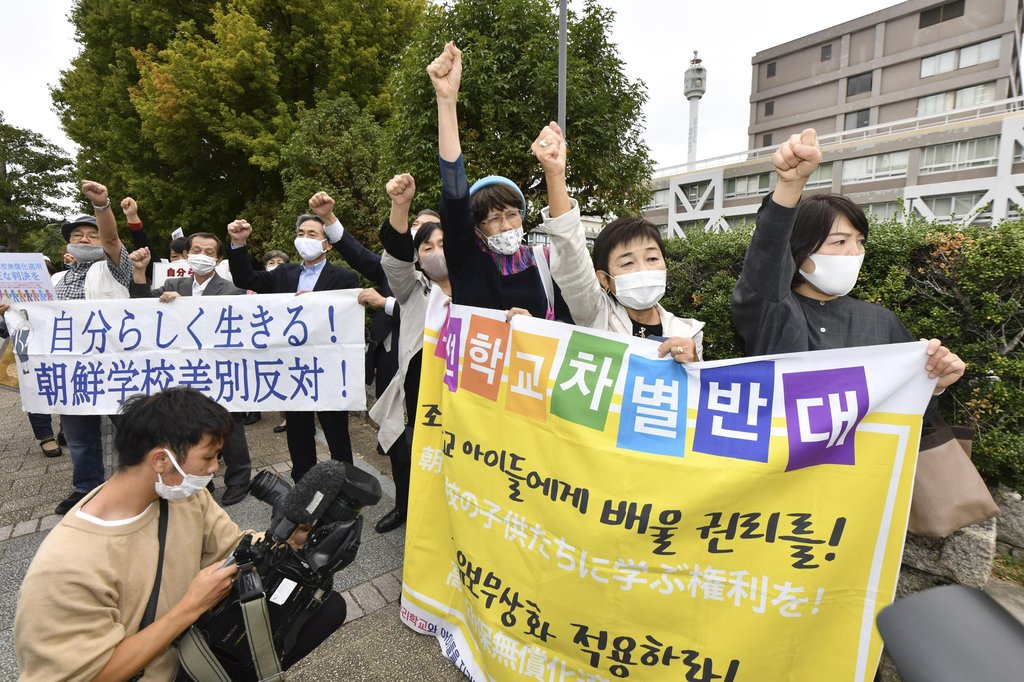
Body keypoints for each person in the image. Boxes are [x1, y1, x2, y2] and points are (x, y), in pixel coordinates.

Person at [14, 387, 345, 681]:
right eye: (208, 457)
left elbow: (233, 546)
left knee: (326, 609)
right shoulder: (64, 567)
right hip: (157, 664)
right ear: (161, 459)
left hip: (196, 653)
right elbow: (91, 673)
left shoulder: (184, 495)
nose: (216, 467)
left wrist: (291, 543)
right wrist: (190, 605)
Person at [730, 129, 965, 393]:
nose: (855, 252)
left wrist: (934, 384)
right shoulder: (773, 309)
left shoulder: (882, 322)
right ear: (800, 250)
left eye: (860, 241)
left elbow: (906, 412)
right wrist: (790, 185)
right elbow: (766, 257)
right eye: (840, 241)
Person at [533, 122, 705, 361]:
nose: (643, 269)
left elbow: (698, 394)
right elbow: (571, 255)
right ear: (604, 279)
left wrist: (693, 362)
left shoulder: (688, 333)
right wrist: (554, 174)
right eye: (627, 263)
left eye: (652, 258)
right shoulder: (595, 313)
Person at [428, 42, 572, 323]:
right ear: (477, 228)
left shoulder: (543, 260)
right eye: (493, 219)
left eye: (511, 215)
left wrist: (533, 327)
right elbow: (455, 191)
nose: (506, 226)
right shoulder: (467, 260)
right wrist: (446, 101)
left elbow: (569, 323)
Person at [25, 181, 134, 514]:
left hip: (113, 365)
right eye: (77, 236)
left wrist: (102, 206)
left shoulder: (115, 268)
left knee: (133, 429)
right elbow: (34, 322)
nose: (85, 239)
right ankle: (86, 489)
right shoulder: (53, 281)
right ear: (68, 245)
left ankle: (143, 484)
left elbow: (114, 238)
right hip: (70, 371)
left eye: (92, 235)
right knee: (79, 436)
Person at [227, 214, 359, 482]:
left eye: (312, 234)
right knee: (298, 430)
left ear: (327, 244)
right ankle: (303, 483)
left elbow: (346, 316)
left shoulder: (345, 278)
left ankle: (345, 483)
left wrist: (318, 303)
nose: (304, 238)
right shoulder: (284, 273)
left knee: (336, 430)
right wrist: (238, 243)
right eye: (301, 233)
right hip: (293, 366)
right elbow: (245, 279)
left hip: (327, 368)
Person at [128, 233, 254, 506]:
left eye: (209, 252)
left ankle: (239, 478)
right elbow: (140, 307)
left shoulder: (231, 290)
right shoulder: (172, 284)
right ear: (186, 254)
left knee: (230, 425)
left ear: (219, 259)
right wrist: (140, 272)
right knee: (190, 426)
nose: (202, 255)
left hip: (220, 368)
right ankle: (199, 479)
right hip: (183, 370)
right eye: (196, 250)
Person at [374, 172, 452, 533]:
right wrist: (400, 205)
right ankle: (405, 509)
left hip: (460, 397)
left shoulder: (478, 288)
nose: (436, 252)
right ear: (417, 258)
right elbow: (394, 260)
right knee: (408, 454)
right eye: (426, 246)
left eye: (443, 243)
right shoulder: (412, 288)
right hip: (418, 395)